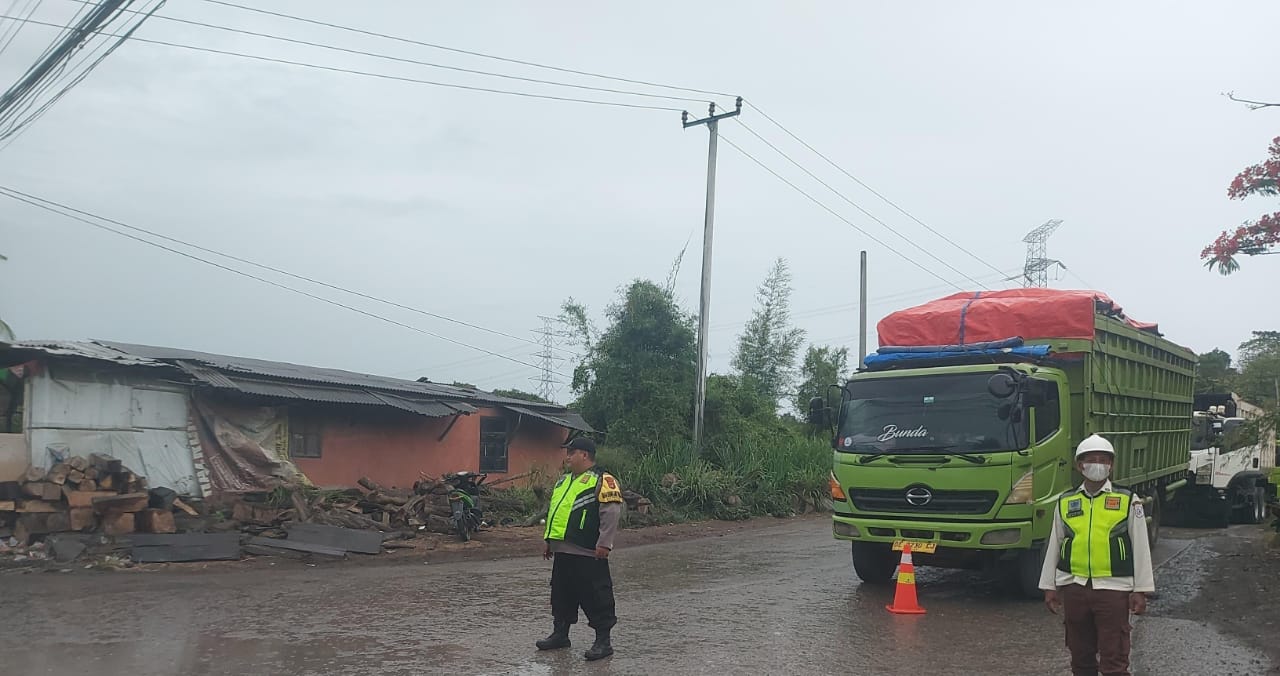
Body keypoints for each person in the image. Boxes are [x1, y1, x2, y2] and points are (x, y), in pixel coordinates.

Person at [1039, 434, 1156, 676]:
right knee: (1080, 657)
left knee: (1114, 659)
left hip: (1113, 590)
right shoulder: (1066, 501)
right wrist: (1049, 586)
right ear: (1079, 465)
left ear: (1111, 465)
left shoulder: (1127, 500)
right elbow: (1055, 544)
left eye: (1103, 460)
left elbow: (1141, 546)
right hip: (1075, 588)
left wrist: (1141, 590)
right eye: (1091, 460)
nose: (1098, 465)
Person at [536, 437, 624, 661]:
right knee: (561, 594)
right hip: (563, 551)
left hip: (588, 551)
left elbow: (611, 512)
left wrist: (604, 543)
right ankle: (560, 634)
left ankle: (603, 642)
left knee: (596, 596)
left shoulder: (603, 480)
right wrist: (549, 540)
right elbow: (555, 513)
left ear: (584, 455)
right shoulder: (564, 481)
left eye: (571, 452)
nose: (567, 457)